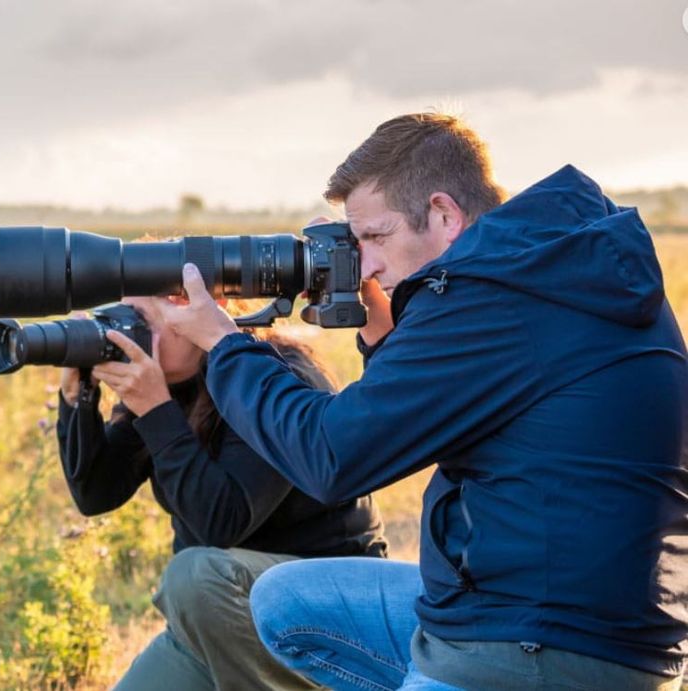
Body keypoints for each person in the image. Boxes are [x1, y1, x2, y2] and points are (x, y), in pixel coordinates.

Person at [153, 113, 688, 690]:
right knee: (282, 601)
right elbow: (422, 417)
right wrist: (385, 328)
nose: (369, 263)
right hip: (574, 612)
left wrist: (224, 343)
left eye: (376, 238)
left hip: (539, 644)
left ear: (443, 215)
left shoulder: (490, 301)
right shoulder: (542, 270)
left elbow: (331, 458)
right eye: (356, 243)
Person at [55, 295, 388, 691]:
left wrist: (156, 409)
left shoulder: (272, 378)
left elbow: (221, 524)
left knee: (194, 576)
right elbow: (96, 494)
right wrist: (79, 402)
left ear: (189, 311)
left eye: (141, 322)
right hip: (225, 619)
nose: (127, 336)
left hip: (323, 617)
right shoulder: (175, 384)